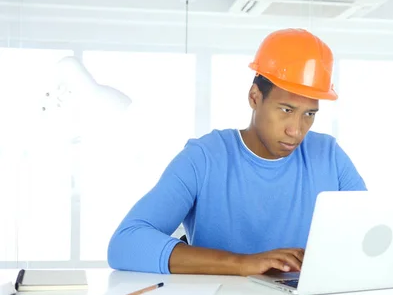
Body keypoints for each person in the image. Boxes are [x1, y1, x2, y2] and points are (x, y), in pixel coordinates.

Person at [107, 28, 367, 276]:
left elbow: (370, 235)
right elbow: (125, 243)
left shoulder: (330, 156)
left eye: (309, 114)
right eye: (286, 110)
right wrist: (241, 263)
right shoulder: (204, 157)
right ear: (255, 97)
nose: (296, 130)